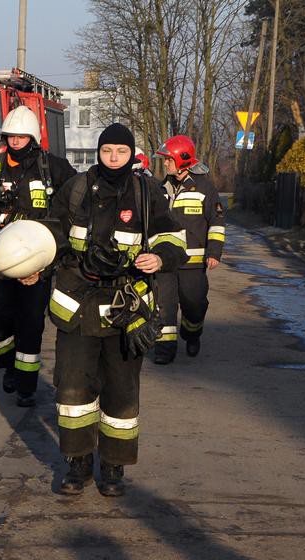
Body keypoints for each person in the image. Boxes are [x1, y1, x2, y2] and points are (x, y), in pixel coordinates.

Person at [46, 123, 187, 496]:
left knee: (121, 393)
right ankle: (77, 465)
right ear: (98, 152)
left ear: (131, 154)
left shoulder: (145, 191)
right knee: (74, 391)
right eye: (107, 151)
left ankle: (113, 467)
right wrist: (46, 261)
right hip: (78, 306)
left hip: (127, 310)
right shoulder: (76, 189)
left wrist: (160, 258)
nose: (113, 158)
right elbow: (47, 231)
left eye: (121, 152)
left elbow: (173, 236)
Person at [0, 106, 76, 407]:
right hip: (1, 255)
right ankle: (6, 361)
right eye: (10, 136)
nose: (15, 141)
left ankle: (26, 385)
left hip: (38, 259)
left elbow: (77, 203)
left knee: (30, 321)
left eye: (21, 136)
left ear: (33, 137)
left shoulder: (54, 168)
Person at [153, 135, 225, 363]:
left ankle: (192, 334)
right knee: (165, 305)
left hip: (193, 263)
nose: (165, 164)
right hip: (165, 262)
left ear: (182, 160)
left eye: (168, 159)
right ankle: (165, 350)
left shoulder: (205, 189)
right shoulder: (159, 189)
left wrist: (214, 252)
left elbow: (216, 222)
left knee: (194, 304)